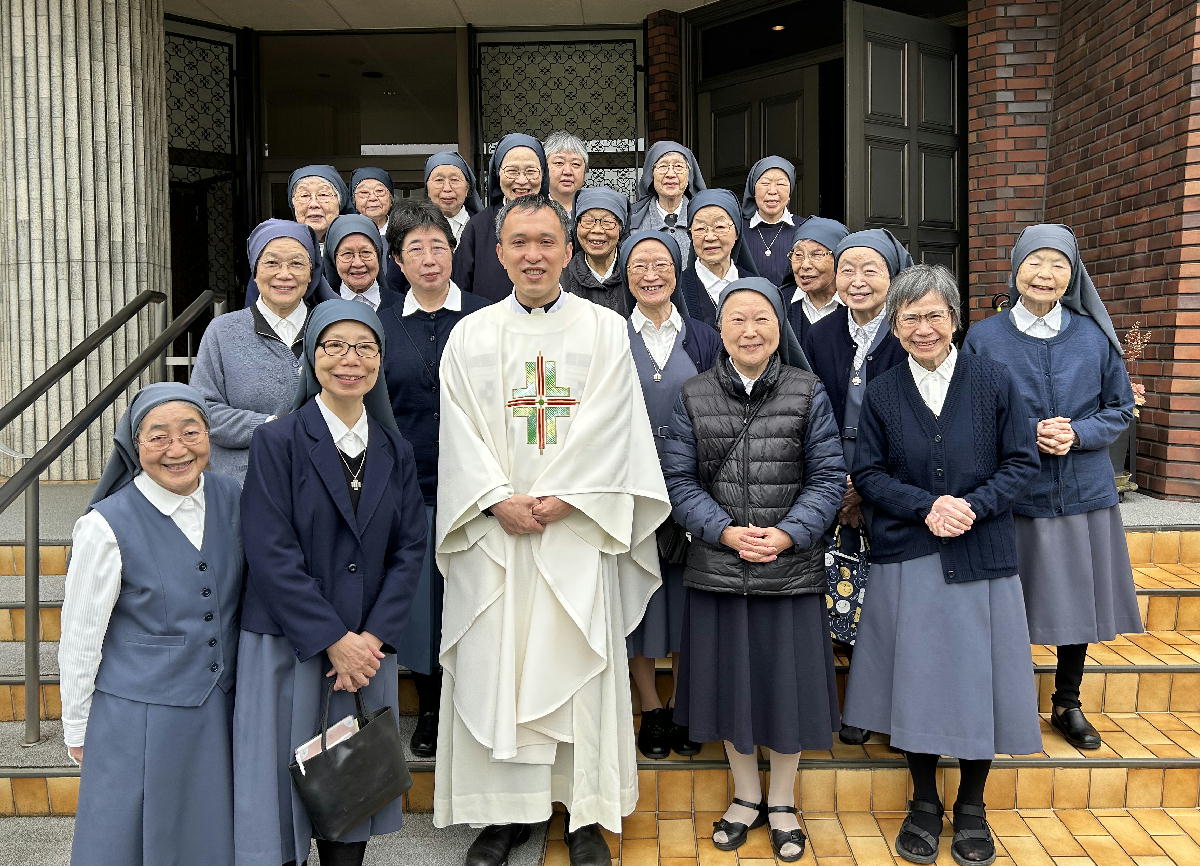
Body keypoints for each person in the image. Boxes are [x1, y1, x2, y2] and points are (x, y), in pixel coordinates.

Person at [434, 194, 671, 866]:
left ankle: (584, 816)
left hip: (574, 534)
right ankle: (505, 815)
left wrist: (566, 497)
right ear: (500, 252)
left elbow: (615, 423)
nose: (533, 254)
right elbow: (458, 434)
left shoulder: (602, 330)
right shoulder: (470, 336)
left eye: (546, 241)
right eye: (520, 242)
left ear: (569, 252)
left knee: (576, 671)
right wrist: (493, 499)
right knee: (495, 670)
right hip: (496, 539)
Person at [844, 264, 1042, 866]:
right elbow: (870, 473)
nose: (923, 328)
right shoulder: (880, 392)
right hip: (910, 554)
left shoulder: (994, 381)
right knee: (917, 682)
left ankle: (974, 806)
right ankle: (925, 801)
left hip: (981, 555)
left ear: (955, 321)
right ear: (895, 326)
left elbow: (1022, 462)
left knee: (979, 682)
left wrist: (970, 508)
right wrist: (926, 506)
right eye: (910, 318)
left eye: (934, 315)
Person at [233, 300, 427, 866]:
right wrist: (332, 639)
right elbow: (270, 551)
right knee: (286, 793)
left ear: (381, 361)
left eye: (365, 347)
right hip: (289, 644)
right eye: (334, 346)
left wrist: (371, 639)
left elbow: (410, 546)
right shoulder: (279, 442)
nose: (350, 359)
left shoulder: (395, 449)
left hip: (368, 648)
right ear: (312, 358)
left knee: (353, 788)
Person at [663, 278, 843, 862]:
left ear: (778, 327)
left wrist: (787, 533)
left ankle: (784, 799)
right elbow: (679, 481)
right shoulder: (693, 395)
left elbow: (827, 477)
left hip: (788, 570)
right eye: (736, 319)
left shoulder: (808, 391)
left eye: (762, 318)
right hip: (719, 566)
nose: (749, 330)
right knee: (729, 687)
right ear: (720, 330)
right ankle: (745, 796)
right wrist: (725, 532)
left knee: (784, 690)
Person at [963, 224, 1143, 751]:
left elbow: (1120, 409)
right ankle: (1007, 701)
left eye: (1059, 265)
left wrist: (1079, 432)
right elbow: (970, 413)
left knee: (1074, 603)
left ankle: (1067, 701)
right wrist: (1022, 434)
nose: (1046, 274)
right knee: (1005, 602)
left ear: (1072, 274)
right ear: (1016, 268)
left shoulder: (1092, 336)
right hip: (1011, 495)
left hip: (1081, 492)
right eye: (1035, 263)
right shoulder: (984, 337)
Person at [60, 383, 242, 866]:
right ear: (134, 446)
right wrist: (78, 727)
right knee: (130, 839)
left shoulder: (234, 498)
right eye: (158, 437)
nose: (177, 449)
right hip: (137, 716)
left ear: (210, 436)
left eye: (191, 432)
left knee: (207, 839)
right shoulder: (105, 525)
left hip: (216, 708)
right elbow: (81, 636)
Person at [379, 200, 490, 759]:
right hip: (411, 489)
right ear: (397, 262)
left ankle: (475, 703)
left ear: (454, 252)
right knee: (423, 606)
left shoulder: (487, 315)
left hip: (479, 492)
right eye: (414, 249)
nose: (429, 259)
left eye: (438, 246)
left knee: (473, 601)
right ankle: (430, 707)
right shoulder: (378, 326)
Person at [802, 228, 912, 746]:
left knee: (888, 604)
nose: (858, 280)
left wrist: (867, 486)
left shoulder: (909, 335)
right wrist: (837, 483)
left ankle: (882, 706)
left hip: (892, 488)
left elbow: (914, 423)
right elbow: (807, 412)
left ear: (893, 276)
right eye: (848, 269)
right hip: (828, 484)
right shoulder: (819, 336)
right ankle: (836, 703)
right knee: (829, 599)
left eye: (872, 269)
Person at [618, 229, 721, 760]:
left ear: (676, 271)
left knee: (686, 599)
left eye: (660, 263)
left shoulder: (702, 335)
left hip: (692, 488)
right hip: (630, 490)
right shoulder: (611, 333)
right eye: (638, 265)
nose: (650, 274)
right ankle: (650, 707)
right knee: (640, 597)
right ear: (625, 273)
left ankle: (684, 703)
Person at [193, 220, 333, 483]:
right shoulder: (223, 331)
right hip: (244, 483)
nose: (284, 274)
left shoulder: (330, 330)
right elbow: (203, 410)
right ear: (255, 272)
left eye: (296, 263)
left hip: (321, 482)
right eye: (271, 263)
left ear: (312, 273)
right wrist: (270, 426)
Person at [452, 133, 549, 301]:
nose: (521, 180)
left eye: (531, 171)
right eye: (512, 171)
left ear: (542, 174)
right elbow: (460, 289)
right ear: (497, 173)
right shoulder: (478, 227)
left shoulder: (556, 222)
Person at [677, 188, 759, 330]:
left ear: (737, 232)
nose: (710, 237)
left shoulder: (757, 288)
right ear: (690, 234)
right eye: (700, 229)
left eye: (720, 227)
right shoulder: (676, 289)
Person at [630, 141, 707, 260]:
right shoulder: (632, 220)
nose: (670, 174)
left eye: (678, 166)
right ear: (652, 174)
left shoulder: (705, 217)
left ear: (689, 174)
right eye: (663, 166)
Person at [561, 186, 629, 314]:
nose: (597, 229)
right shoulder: (560, 278)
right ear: (576, 226)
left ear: (621, 228)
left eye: (607, 221)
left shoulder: (636, 273)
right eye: (588, 221)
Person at [782, 217, 849, 344]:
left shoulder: (856, 302)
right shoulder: (780, 302)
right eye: (798, 255)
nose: (805, 265)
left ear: (839, 259)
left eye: (817, 255)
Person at [324, 213, 402, 313]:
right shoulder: (322, 309)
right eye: (347, 254)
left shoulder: (404, 307)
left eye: (366, 252)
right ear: (334, 259)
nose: (358, 263)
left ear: (378, 255)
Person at [739, 156, 797, 286]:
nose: (772, 191)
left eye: (781, 184)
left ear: (790, 191)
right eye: (765, 183)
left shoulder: (804, 229)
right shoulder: (736, 229)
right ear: (753, 189)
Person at [350, 166, 403, 294]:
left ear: (391, 199)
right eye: (363, 193)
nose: (373, 198)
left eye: (379, 191)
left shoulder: (403, 232)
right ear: (354, 201)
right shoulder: (345, 235)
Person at [425, 151, 484, 244]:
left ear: (467, 188)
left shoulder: (485, 226)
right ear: (427, 188)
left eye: (454, 180)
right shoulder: (415, 227)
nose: (447, 188)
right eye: (439, 180)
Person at [288, 164, 349, 250]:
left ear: (340, 202)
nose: (314, 204)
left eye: (323, 195)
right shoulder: (282, 248)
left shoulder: (357, 247)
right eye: (304, 195)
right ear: (293, 204)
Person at [543, 131, 588, 214]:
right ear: (545, 168)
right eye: (559, 163)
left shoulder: (594, 209)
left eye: (575, 164)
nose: (567, 171)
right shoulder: (532, 210)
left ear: (585, 172)